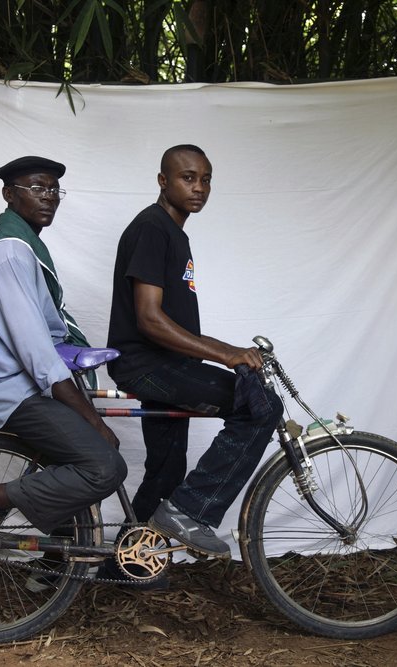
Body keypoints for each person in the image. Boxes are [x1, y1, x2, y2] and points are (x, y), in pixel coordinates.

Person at [0, 156, 127, 572]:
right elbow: (37, 354)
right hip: (14, 393)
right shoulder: (9, 253)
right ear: (9, 195)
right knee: (104, 466)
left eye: (54, 190)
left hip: (21, 387)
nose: (49, 198)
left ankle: (51, 571)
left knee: (75, 461)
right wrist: (94, 421)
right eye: (37, 188)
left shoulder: (17, 245)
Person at [106, 144, 283, 558]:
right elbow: (149, 319)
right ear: (163, 181)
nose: (199, 187)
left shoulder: (172, 232)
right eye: (188, 177)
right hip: (148, 365)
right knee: (260, 406)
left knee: (167, 471)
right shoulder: (152, 228)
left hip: (165, 365)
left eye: (206, 179)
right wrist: (225, 353)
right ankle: (192, 511)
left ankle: (127, 564)